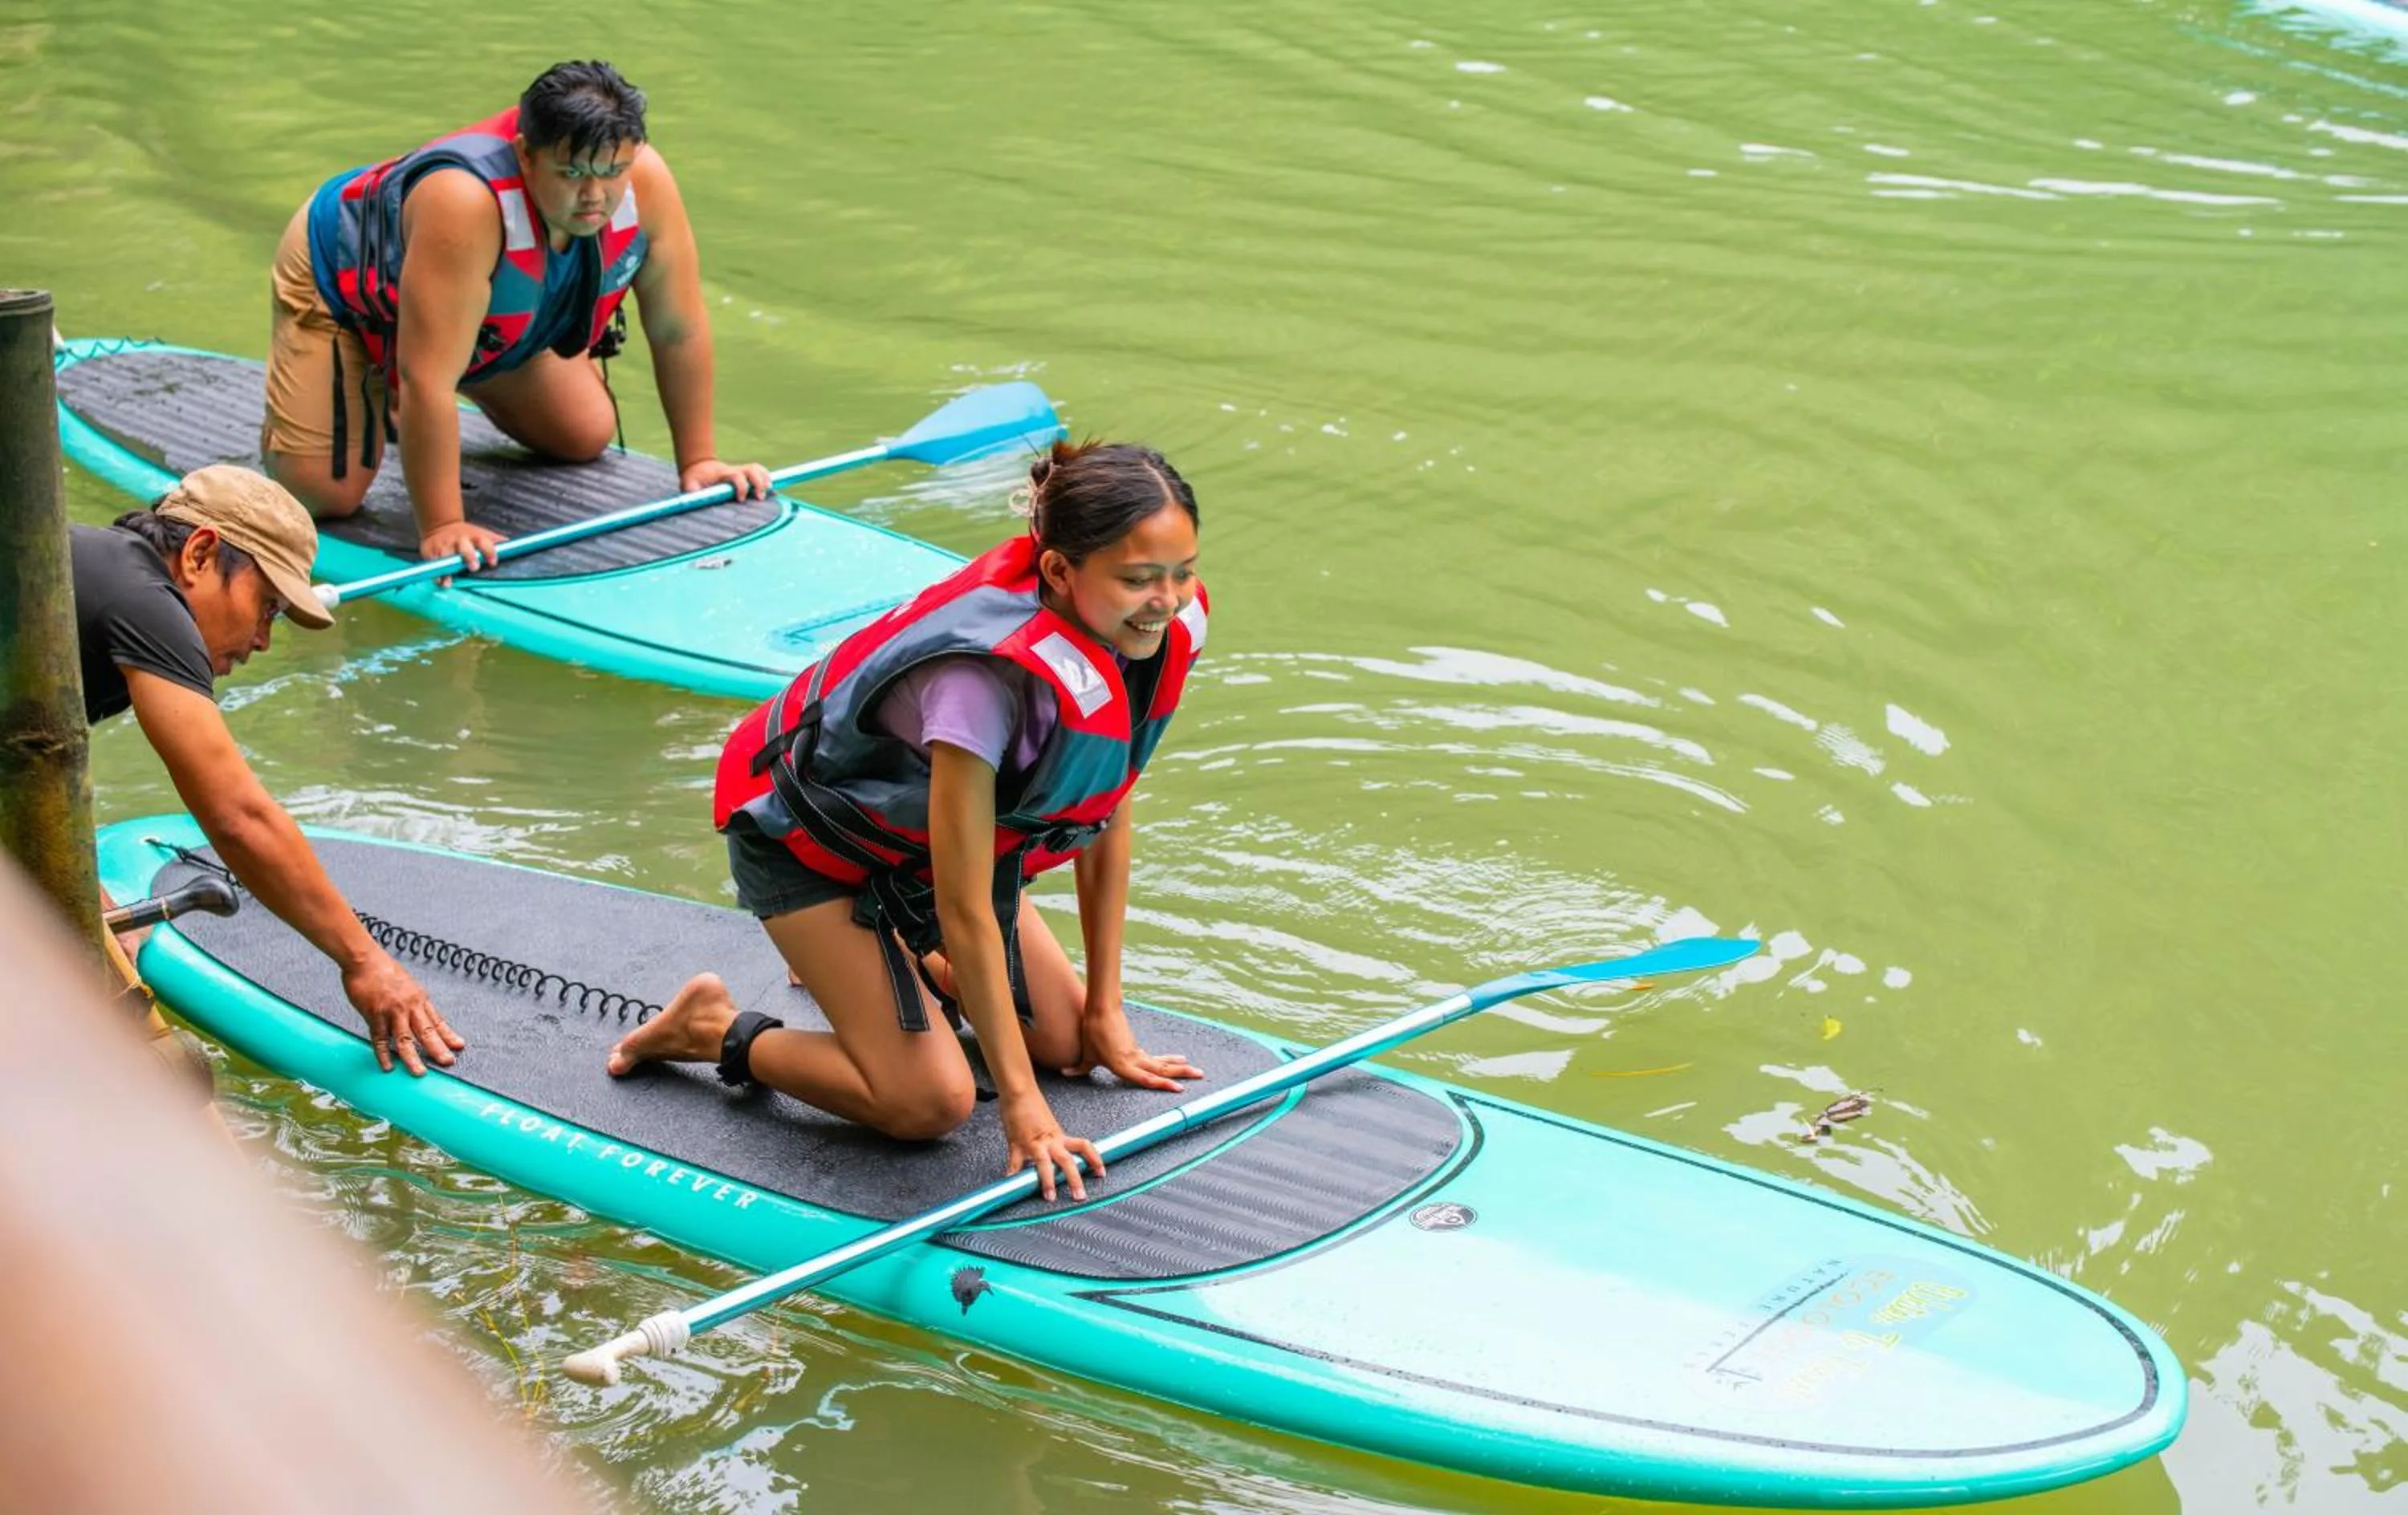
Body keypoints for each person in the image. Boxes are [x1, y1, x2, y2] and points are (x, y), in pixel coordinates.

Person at [604, 441, 1210, 1200]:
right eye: (1139, 579)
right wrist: (1023, 1110)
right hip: (809, 847)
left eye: (1182, 571)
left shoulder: (1131, 634)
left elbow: (1105, 806)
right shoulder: (977, 686)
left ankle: (879, 958)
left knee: (1069, 1045)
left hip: (922, 853)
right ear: (1058, 571)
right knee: (931, 1103)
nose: (1170, 598)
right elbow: (963, 908)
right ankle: (711, 1028)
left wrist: (1108, 1012)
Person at [261, 59, 771, 571]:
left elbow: (676, 329)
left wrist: (700, 461)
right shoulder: (465, 203)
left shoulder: (647, 185)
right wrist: (443, 525)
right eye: (571, 174)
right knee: (326, 494)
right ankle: (363, 381)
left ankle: (438, 360)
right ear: (526, 155)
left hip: (471, 311)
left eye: (611, 172)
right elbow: (427, 379)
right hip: (342, 287)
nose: (594, 196)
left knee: (584, 433)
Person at [74, 465, 462, 1076]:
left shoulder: (100, 580)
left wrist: (77, 892)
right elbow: (237, 816)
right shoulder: (144, 602)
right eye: (268, 607)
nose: (263, 640)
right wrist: (365, 962)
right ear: (200, 553)